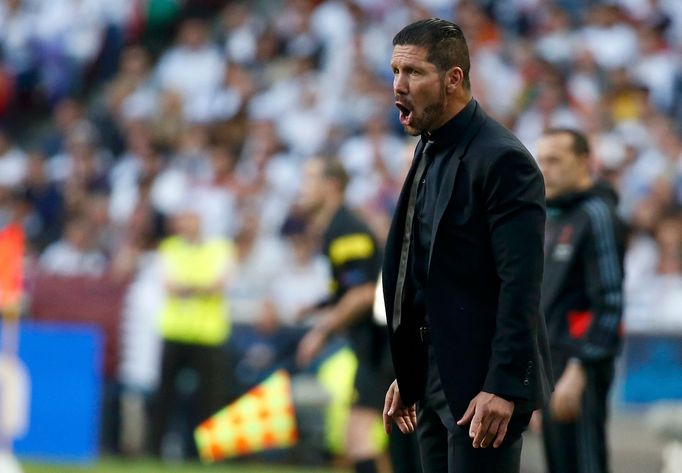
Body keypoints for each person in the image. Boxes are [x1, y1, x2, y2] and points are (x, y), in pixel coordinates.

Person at [381, 18, 552, 473]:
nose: (399, 85)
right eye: (395, 71)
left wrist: (503, 384)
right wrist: (411, 369)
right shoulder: (429, 147)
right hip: (435, 376)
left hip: (481, 388)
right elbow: (420, 269)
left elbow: (521, 283)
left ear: (453, 78)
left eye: (413, 73)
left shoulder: (503, 159)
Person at [294, 157, 401, 473]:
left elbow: (363, 292)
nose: (302, 187)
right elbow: (351, 285)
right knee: (366, 439)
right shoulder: (337, 227)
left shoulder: (345, 229)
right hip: (378, 346)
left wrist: (320, 331)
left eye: (309, 179)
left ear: (332, 185)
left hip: (382, 346)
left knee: (358, 437)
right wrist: (318, 306)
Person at [535, 128, 625, 473]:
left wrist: (580, 368)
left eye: (555, 160)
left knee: (584, 462)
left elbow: (610, 301)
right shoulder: (555, 214)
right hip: (552, 363)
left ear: (584, 162)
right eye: (542, 160)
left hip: (579, 365)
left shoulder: (596, 215)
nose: (546, 169)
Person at [151, 208, 235, 459]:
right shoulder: (169, 248)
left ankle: (204, 453)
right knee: (165, 398)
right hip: (175, 332)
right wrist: (202, 286)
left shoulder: (220, 248)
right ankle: (154, 450)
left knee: (209, 400)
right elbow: (169, 284)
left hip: (208, 335)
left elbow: (219, 283)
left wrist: (188, 286)